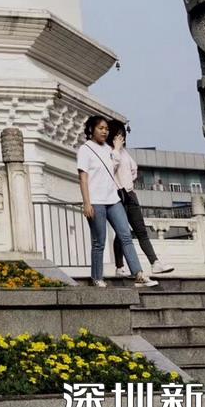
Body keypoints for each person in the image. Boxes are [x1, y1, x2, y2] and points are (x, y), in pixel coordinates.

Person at [77, 114, 158, 288]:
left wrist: (117, 149)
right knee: (99, 242)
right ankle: (97, 277)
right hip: (96, 201)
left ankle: (138, 274)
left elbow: (114, 168)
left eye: (106, 129)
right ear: (91, 129)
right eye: (101, 128)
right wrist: (87, 203)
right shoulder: (85, 149)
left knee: (126, 235)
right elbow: (83, 178)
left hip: (113, 199)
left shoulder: (108, 149)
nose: (104, 132)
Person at [107, 120, 173, 277]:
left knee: (141, 231)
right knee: (122, 232)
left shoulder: (125, 152)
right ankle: (119, 267)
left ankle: (155, 263)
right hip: (117, 195)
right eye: (118, 135)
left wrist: (129, 182)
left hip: (130, 194)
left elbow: (134, 169)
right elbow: (110, 169)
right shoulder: (109, 151)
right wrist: (116, 149)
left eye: (122, 135)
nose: (121, 138)